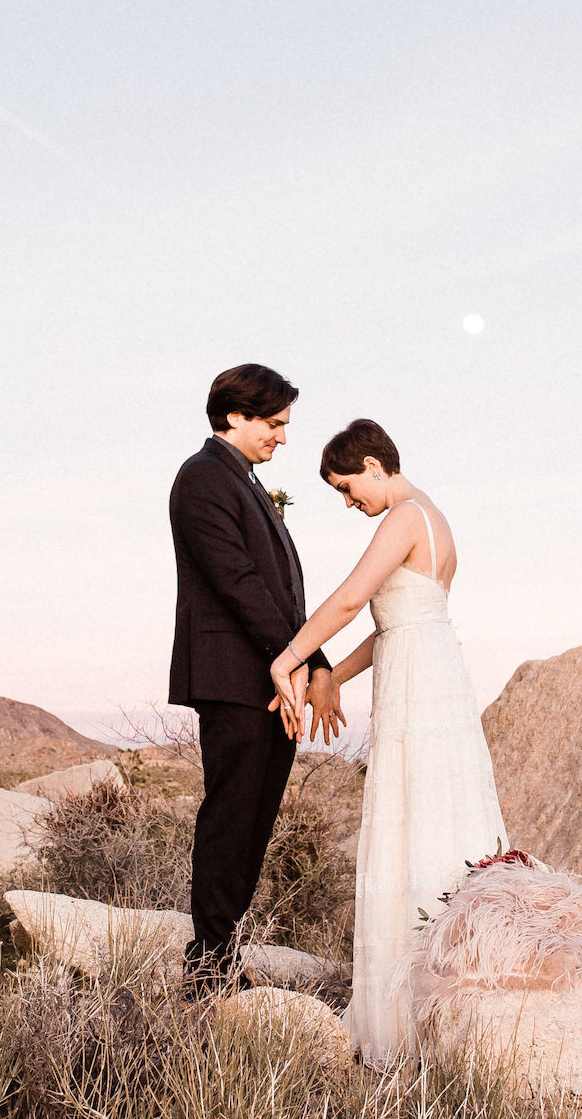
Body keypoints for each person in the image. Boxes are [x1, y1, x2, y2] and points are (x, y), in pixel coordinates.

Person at [270, 418, 509, 1066]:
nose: (350, 504)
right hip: (427, 666)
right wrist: (330, 680)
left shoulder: (403, 515)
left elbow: (352, 600)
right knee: (437, 818)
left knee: (415, 822)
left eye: (349, 489)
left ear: (374, 464)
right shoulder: (436, 521)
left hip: (419, 683)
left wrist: (290, 661)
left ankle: (406, 1020)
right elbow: (393, 623)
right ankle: (445, 1005)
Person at [169, 363, 341, 993]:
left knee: (257, 818)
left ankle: (223, 951)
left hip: (273, 681)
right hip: (233, 679)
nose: (283, 438)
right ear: (234, 415)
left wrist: (314, 662)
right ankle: (208, 962)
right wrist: (294, 658)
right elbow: (237, 583)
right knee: (231, 816)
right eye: (274, 424)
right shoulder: (202, 479)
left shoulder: (242, 483)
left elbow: (280, 595)